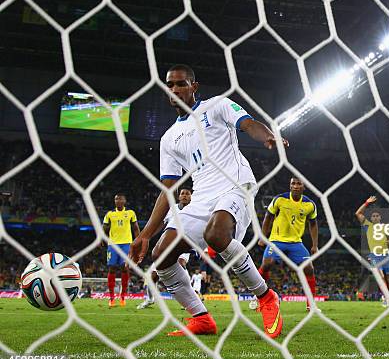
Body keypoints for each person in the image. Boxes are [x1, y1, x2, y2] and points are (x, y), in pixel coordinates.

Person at [129, 64, 287, 338]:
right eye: (170, 85)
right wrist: (145, 233)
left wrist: (267, 135)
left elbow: (248, 123)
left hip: (235, 184)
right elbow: (168, 187)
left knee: (215, 234)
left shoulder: (217, 106)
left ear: (194, 86)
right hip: (202, 195)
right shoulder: (169, 139)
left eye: (181, 84)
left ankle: (265, 296)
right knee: (161, 254)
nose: (175, 89)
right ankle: (201, 318)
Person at [252, 177, 319, 311]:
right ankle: (257, 296)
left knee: (309, 269)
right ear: (290, 185)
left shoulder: (309, 204)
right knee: (267, 264)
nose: (295, 186)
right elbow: (268, 217)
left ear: (303, 187)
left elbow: (313, 224)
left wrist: (314, 245)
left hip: (295, 243)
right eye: (293, 183)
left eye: (298, 184)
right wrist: (262, 237)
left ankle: (311, 305)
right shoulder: (279, 199)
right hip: (276, 240)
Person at [137, 188, 192, 310]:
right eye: (182, 193)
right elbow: (162, 223)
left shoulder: (195, 209)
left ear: (191, 197)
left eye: (187, 194)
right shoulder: (172, 208)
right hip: (167, 245)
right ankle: (150, 299)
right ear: (178, 197)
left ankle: (190, 299)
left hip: (184, 244)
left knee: (181, 264)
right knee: (152, 276)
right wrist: (148, 236)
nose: (184, 196)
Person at [355, 196, 389, 307]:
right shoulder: (367, 225)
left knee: (386, 278)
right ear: (371, 218)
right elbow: (358, 213)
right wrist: (366, 203)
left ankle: (386, 296)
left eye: (377, 216)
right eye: (373, 216)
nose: (375, 217)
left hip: (386, 255)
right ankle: (386, 296)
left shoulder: (385, 227)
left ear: (380, 217)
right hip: (374, 256)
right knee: (380, 276)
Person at [103, 193, 139, 308]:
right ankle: (112, 298)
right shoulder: (109, 214)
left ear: (124, 200)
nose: (118, 200)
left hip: (126, 245)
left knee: (125, 268)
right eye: (116, 199)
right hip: (113, 245)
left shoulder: (130, 213)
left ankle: (123, 297)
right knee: (112, 268)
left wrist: (137, 242)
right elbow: (104, 228)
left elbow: (135, 228)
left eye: (120, 199)